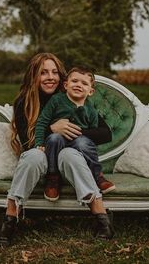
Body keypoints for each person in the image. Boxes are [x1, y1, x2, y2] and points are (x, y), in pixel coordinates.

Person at [0, 53, 114, 246]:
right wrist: (53, 128)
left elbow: (105, 133)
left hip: (69, 164)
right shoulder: (24, 102)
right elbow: (28, 143)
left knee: (70, 155)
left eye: (55, 72)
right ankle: (9, 220)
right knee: (33, 156)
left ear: (62, 78)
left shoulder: (71, 98)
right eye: (43, 73)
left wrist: (75, 131)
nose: (50, 77)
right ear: (34, 76)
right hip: (40, 159)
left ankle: (101, 217)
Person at [34, 67, 115, 201]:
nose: (78, 85)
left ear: (91, 91)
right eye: (75, 81)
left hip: (78, 145)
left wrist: (81, 135)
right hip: (58, 140)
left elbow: (94, 136)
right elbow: (42, 121)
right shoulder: (56, 100)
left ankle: (97, 175)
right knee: (54, 138)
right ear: (66, 85)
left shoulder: (91, 110)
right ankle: (53, 178)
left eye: (84, 83)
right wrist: (39, 143)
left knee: (83, 142)